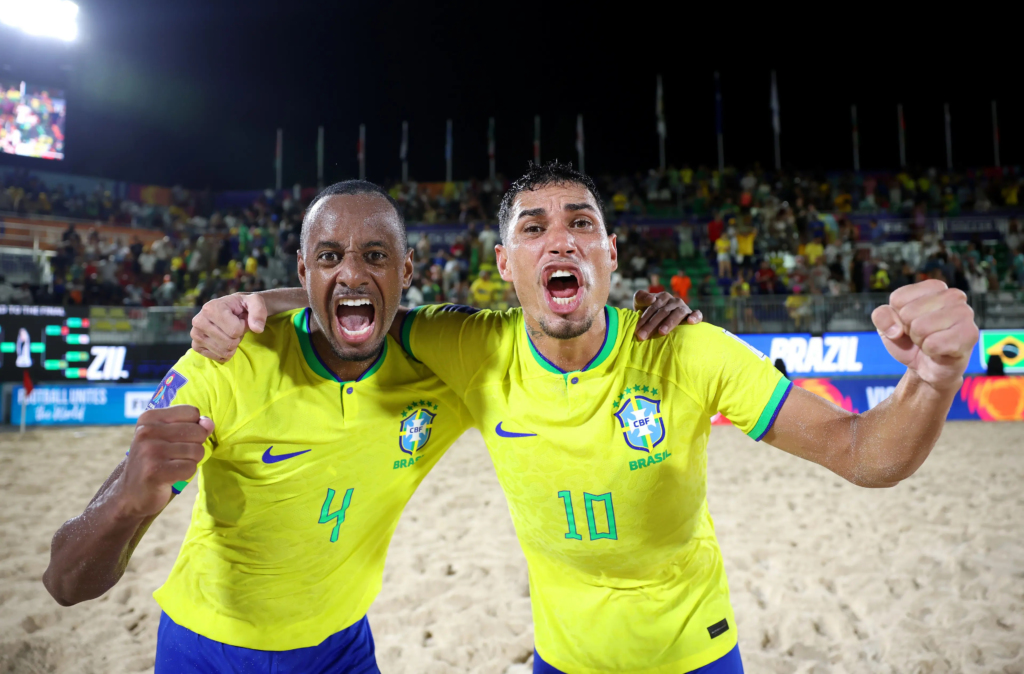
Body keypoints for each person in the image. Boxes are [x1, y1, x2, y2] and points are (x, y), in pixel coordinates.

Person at [198, 162, 978, 674]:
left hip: (694, 654)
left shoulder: (687, 348)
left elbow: (862, 451)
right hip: (561, 660)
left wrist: (935, 375)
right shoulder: (471, 345)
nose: (559, 240)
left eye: (580, 224)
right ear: (504, 265)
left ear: (610, 253)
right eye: (532, 228)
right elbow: (357, 297)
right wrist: (256, 301)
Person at [45, 179, 698, 674]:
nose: (353, 272)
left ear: (406, 271)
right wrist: (127, 500)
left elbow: (559, 338)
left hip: (343, 649)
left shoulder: (442, 367)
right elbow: (66, 583)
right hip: (207, 649)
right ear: (303, 271)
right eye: (328, 256)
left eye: (375, 255)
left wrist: (657, 318)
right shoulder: (228, 361)